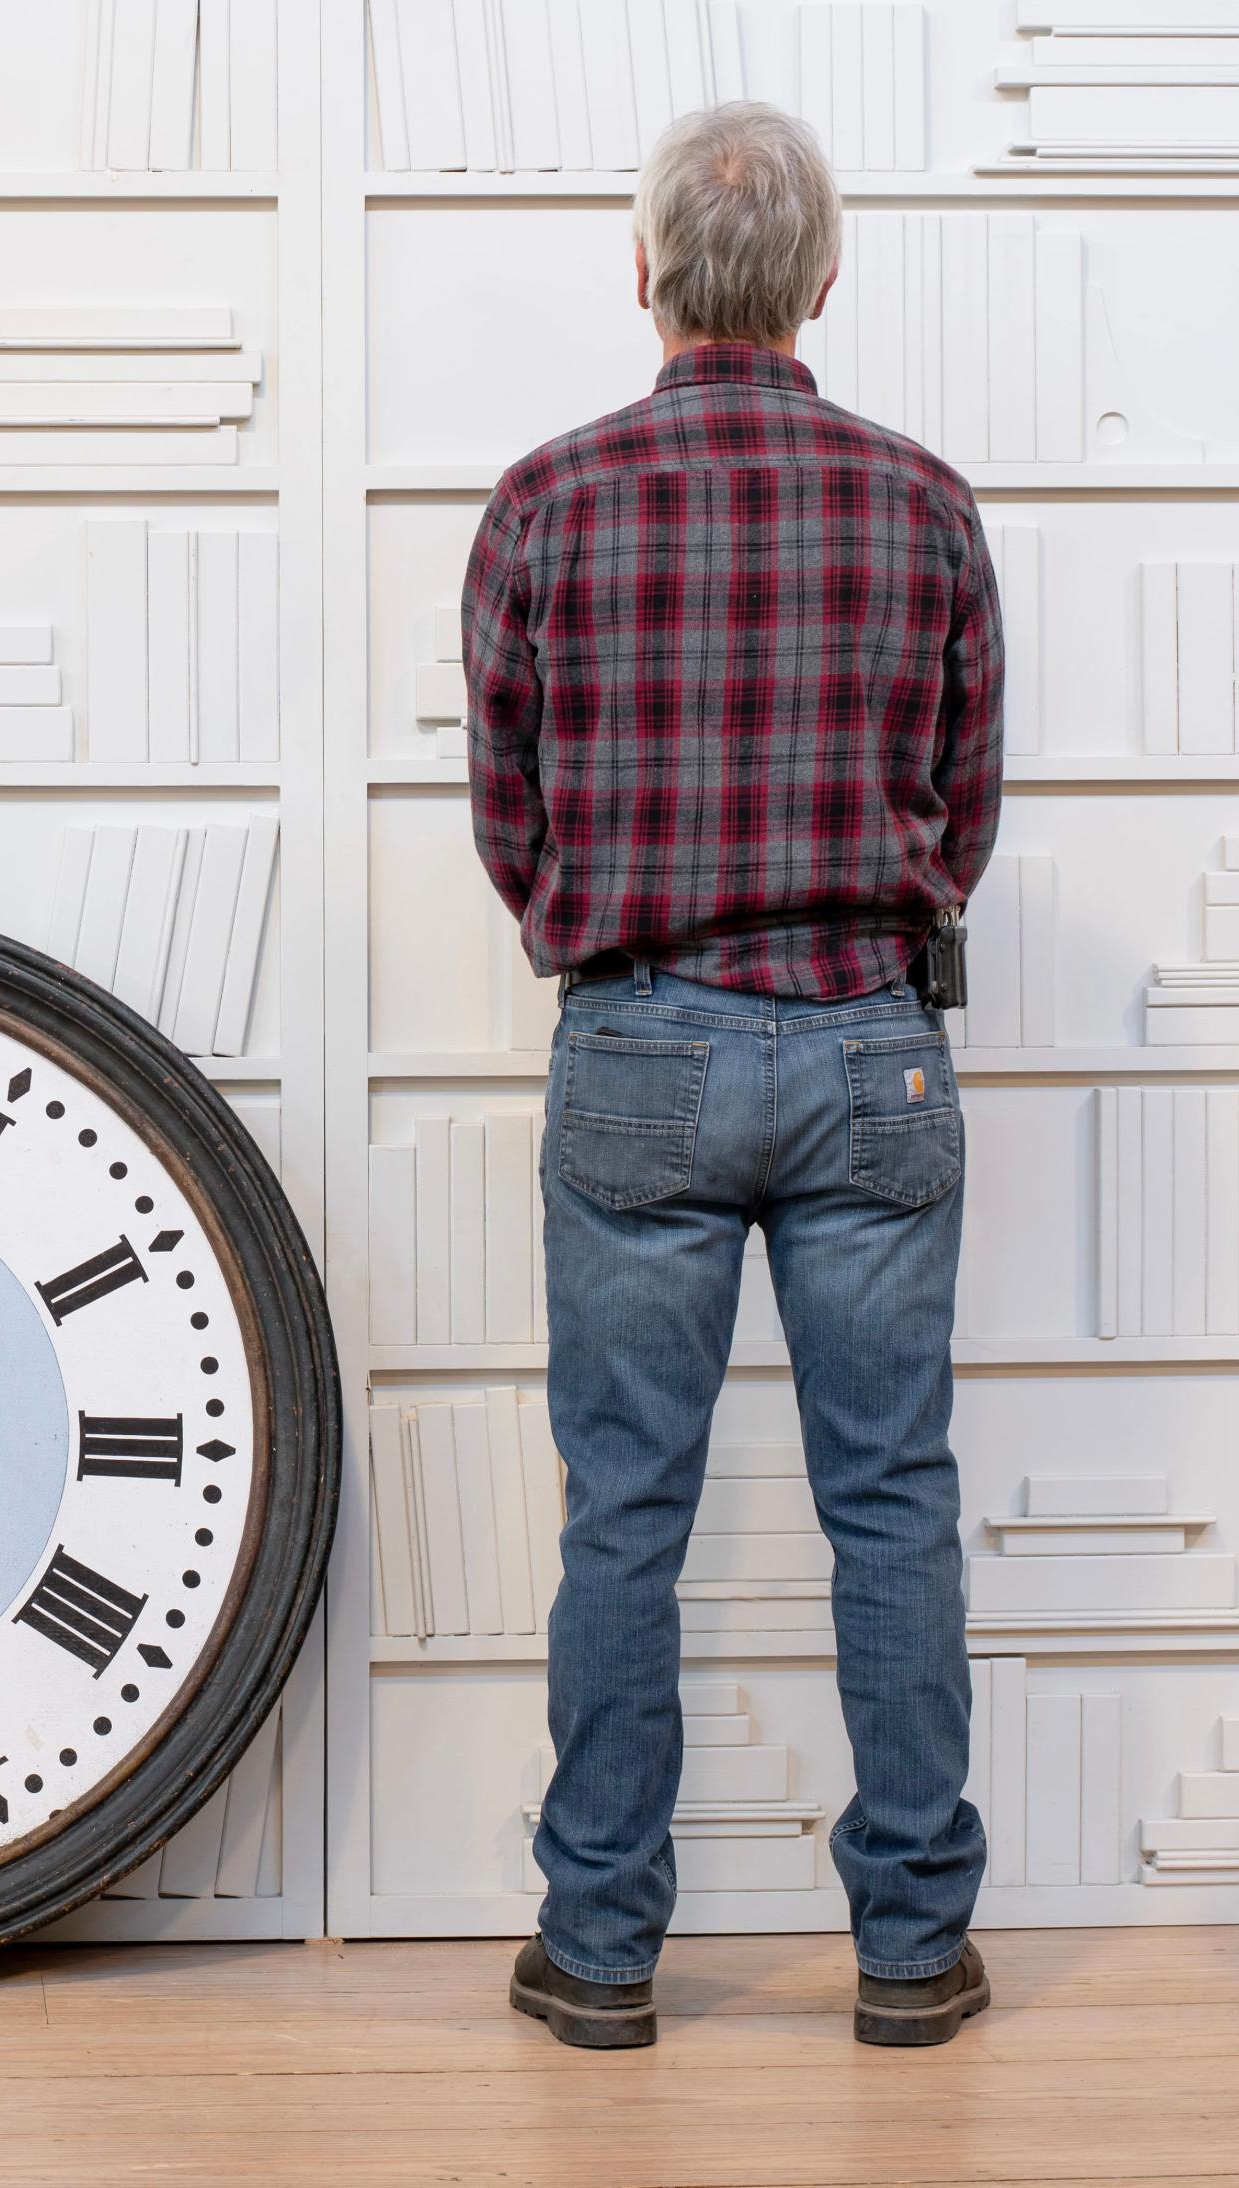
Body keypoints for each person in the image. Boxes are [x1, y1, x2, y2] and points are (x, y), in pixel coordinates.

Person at [462, 102, 1004, 2051]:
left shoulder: (546, 501)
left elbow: (509, 812)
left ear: (645, 274)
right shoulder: (923, 501)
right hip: (870, 1043)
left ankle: (601, 1947)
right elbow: (965, 802)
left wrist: (611, 946)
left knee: (623, 1512)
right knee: (895, 1503)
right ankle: (913, 1951)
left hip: (642, 1043)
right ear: (823, 282)